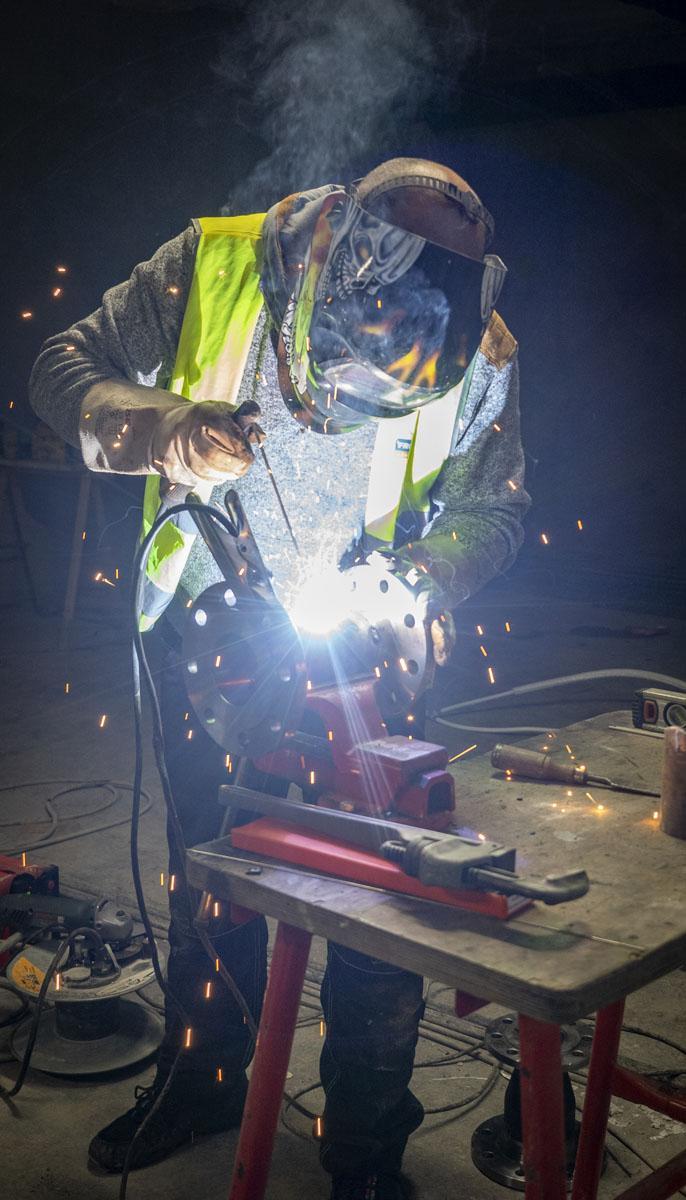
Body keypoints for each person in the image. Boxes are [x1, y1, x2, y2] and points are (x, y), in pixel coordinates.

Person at [30, 157, 530, 1200]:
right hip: (207, 640)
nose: (346, 417)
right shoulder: (211, 268)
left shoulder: (478, 355)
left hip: (371, 661)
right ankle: (205, 1078)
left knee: (378, 897)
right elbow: (57, 369)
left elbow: (496, 511)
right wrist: (159, 427)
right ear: (326, 272)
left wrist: (415, 579)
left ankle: (362, 1147)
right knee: (210, 872)